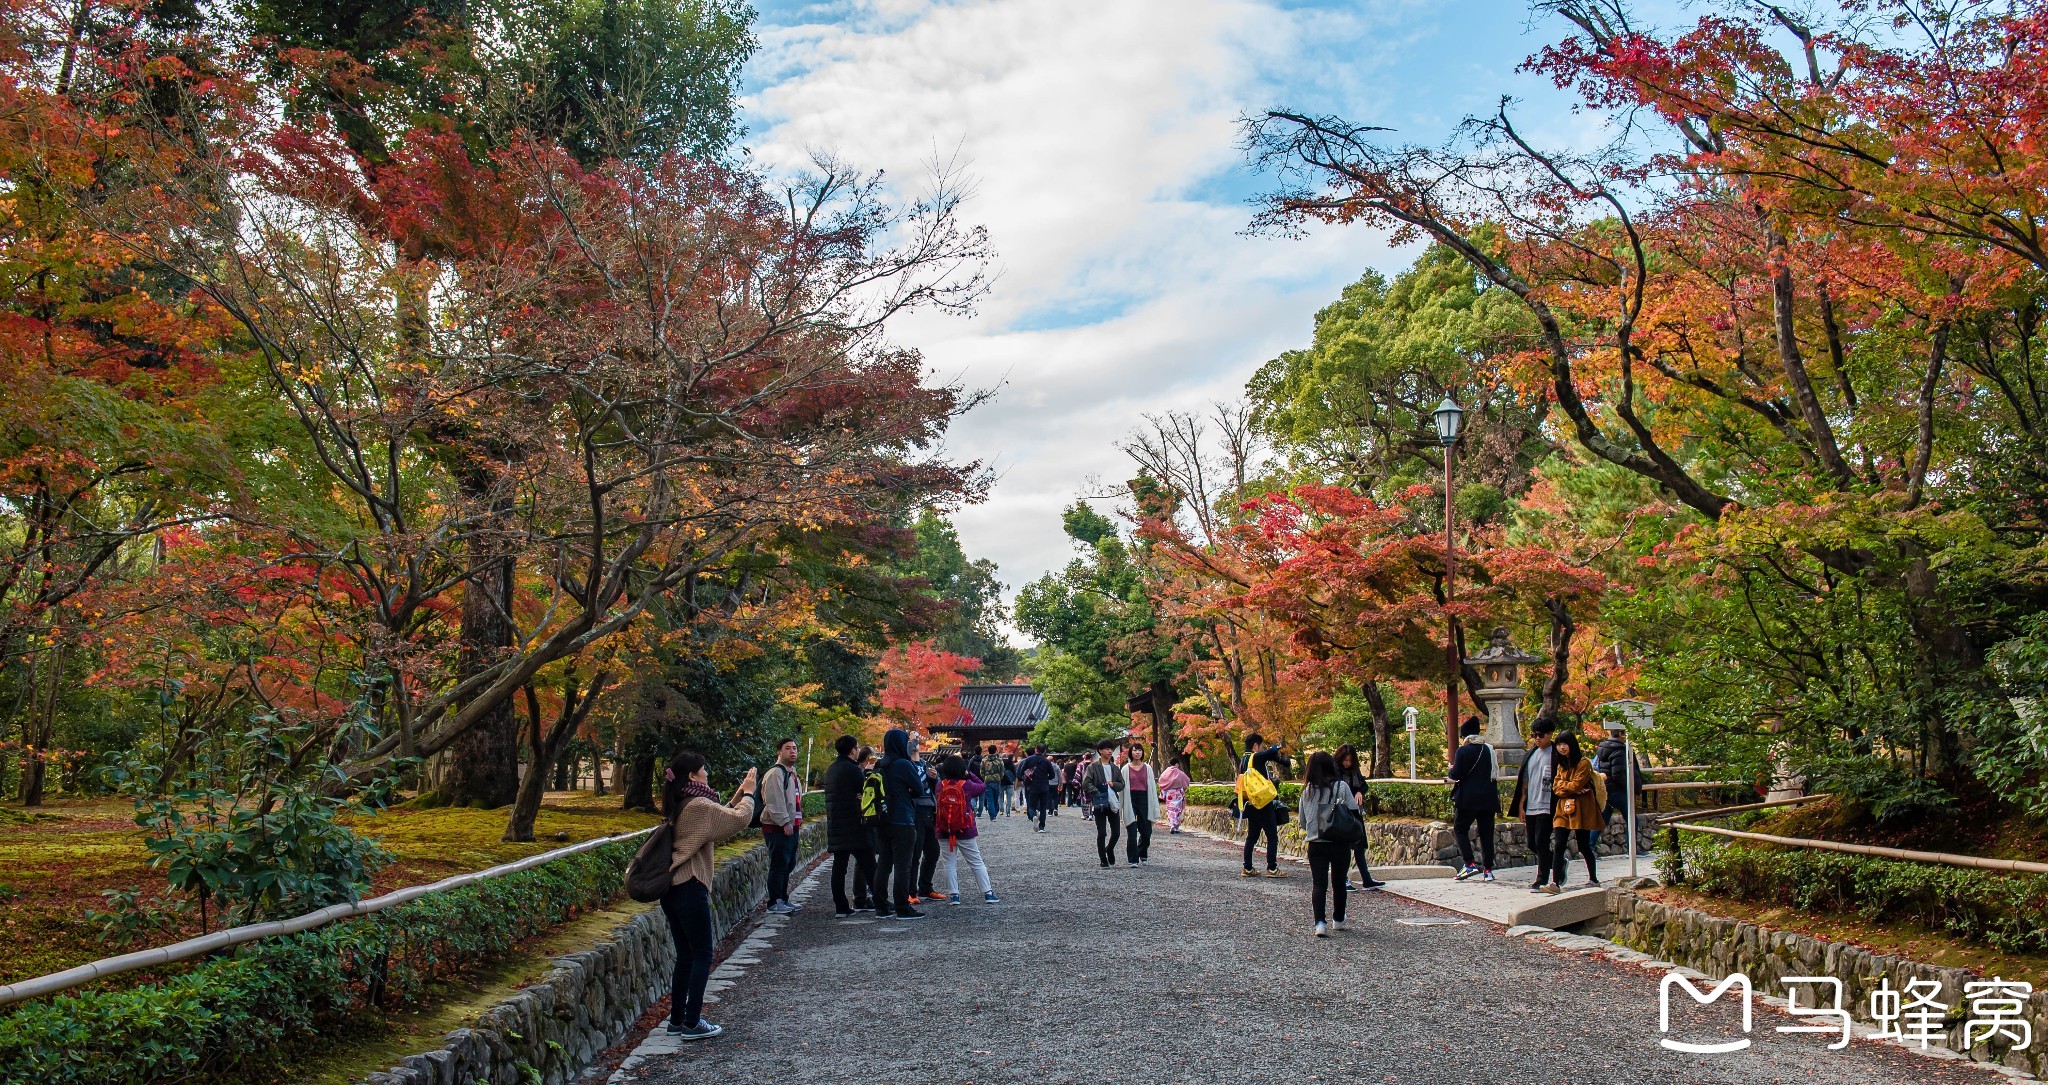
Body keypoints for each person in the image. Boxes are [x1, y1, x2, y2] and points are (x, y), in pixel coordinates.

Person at [659, 751, 759, 1040]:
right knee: (702, 954)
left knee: (686, 956)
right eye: (704, 770)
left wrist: (738, 792)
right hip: (690, 884)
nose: (707, 774)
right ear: (692, 776)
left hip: (672, 888)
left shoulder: (682, 801)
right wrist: (750, 795)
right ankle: (692, 1022)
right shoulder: (700, 804)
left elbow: (717, 821)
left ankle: (677, 1019)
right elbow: (738, 820)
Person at [1298, 750, 1362, 938]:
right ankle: (1338, 919)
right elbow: (1353, 809)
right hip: (1338, 841)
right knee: (1339, 882)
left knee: (1319, 884)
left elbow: (1302, 821)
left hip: (1316, 843)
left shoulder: (1307, 790)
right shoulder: (1340, 786)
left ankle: (1320, 923)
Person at [874, 728, 927, 919]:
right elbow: (920, 789)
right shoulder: (903, 764)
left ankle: (880, 905)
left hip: (882, 819)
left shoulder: (880, 764)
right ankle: (902, 907)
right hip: (902, 818)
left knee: (884, 863)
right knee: (903, 865)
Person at [935, 754, 1001, 904]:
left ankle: (954, 895)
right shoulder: (966, 785)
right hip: (964, 829)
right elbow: (982, 786)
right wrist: (969, 774)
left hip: (945, 829)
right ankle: (988, 893)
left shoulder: (940, 785)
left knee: (949, 863)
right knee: (976, 862)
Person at [821, 735, 874, 918]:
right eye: (857, 747)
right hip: (854, 824)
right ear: (853, 750)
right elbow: (865, 792)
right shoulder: (853, 770)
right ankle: (881, 902)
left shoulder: (831, 769)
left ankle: (841, 907)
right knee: (869, 864)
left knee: (839, 867)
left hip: (837, 823)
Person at [1545, 731, 1603, 891]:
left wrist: (1567, 787)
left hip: (1581, 808)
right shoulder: (1560, 764)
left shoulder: (1584, 763)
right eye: (1558, 744)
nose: (1562, 747)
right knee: (1559, 844)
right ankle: (1555, 883)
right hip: (1563, 808)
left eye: (1565, 744)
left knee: (1584, 846)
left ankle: (1593, 878)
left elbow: (1576, 784)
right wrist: (1570, 789)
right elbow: (1555, 787)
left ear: (1572, 745)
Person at [1445, 717, 1500, 883]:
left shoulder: (1463, 751)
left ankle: (1469, 863)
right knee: (1486, 834)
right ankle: (1488, 870)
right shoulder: (1489, 750)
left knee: (1460, 829)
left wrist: (1451, 771)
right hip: (1488, 799)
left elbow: (1456, 775)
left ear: (1465, 736)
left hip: (1468, 799)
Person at [1508, 718, 1558, 893]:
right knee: (1531, 843)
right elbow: (1525, 781)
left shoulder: (1556, 754)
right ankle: (1557, 862)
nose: (1537, 738)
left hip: (1548, 804)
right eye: (1534, 735)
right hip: (1531, 804)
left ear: (1550, 734)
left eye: (1541, 735)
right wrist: (1521, 805)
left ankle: (1541, 878)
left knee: (1541, 841)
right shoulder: (1531, 754)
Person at [759, 737, 804, 914]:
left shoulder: (791, 773)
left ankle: (783, 898)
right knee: (779, 863)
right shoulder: (775, 773)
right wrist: (785, 822)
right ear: (779, 752)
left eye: (794, 748)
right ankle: (774, 902)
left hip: (792, 826)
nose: (792, 751)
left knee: (788, 863)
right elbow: (774, 801)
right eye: (788, 748)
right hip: (777, 827)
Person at [1332, 744, 1385, 890]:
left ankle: (1366, 879)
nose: (1347, 763)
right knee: (1345, 847)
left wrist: (1359, 792)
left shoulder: (1354, 771)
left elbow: (1364, 785)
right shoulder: (1334, 770)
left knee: (1359, 846)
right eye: (1345, 760)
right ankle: (1343, 879)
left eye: (1350, 760)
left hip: (1355, 811)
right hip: (1341, 812)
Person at [1237, 733, 1286, 878]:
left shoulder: (1243, 761)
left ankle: (1247, 867)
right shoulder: (1255, 757)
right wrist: (1278, 746)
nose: (1262, 749)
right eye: (1261, 746)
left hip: (1250, 803)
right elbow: (1271, 752)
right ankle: (1272, 868)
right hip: (1263, 803)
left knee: (1252, 836)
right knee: (1272, 835)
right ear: (1255, 746)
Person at [909, 733, 942, 902]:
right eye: (910, 740)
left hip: (930, 812)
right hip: (915, 812)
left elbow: (939, 786)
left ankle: (925, 887)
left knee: (933, 851)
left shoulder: (926, 764)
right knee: (914, 852)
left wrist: (935, 779)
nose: (915, 742)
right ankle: (910, 891)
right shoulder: (905, 765)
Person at [1083, 741, 1125, 867]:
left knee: (1116, 832)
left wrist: (1114, 784)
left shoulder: (1115, 768)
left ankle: (1110, 848)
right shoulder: (1093, 767)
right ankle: (1103, 858)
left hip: (1113, 802)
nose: (1110, 751)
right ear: (1100, 751)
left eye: (1111, 749)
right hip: (1099, 802)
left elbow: (1122, 784)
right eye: (1107, 749)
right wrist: (1097, 791)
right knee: (1102, 832)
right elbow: (1086, 783)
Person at [1122, 743, 1159, 866]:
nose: (1137, 753)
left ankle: (1142, 852)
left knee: (1146, 832)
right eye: (1134, 750)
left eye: (1139, 750)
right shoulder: (1125, 769)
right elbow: (1122, 789)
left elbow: (1152, 787)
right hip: (1130, 799)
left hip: (1144, 799)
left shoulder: (1147, 768)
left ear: (1142, 753)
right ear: (1131, 753)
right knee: (1132, 831)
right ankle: (1133, 859)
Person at [1020, 745, 1057, 831]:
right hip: (1044, 786)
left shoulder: (1028, 760)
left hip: (1033, 785)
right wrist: (1045, 777)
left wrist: (1026, 778)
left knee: (1032, 806)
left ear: (1035, 750)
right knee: (1043, 807)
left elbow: (1021, 772)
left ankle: (1034, 816)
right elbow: (1052, 775)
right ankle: (1042, 827)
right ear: (1044, 751)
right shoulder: (1047, 761)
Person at [1159, 756, 1191, 834]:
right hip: (1178, 794)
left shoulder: (1166, 772)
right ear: (1177, 764)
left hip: (1170, 794)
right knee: (1178, 810)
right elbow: (1187, 780)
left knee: (1171, 810)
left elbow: (1161, 780)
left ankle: (1172, 825)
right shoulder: (1180, 773)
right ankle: (1176, 827)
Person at [978, 745, 1007, 821]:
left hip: (987, 780)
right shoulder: (999, 760)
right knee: (996, 797)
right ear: (996, 750)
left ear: (988, 750)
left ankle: (992, 815)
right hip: (996, 780)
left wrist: (985, 777)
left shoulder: (984, 760)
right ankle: (995, 812)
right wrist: (999, 777)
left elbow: (981, 771)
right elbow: (1002, 771)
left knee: (989, 799)